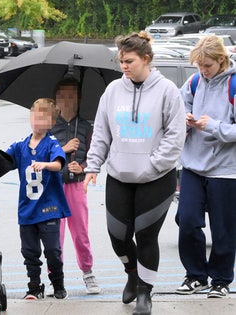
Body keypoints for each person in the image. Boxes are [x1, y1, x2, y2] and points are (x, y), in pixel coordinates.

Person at [83, 31, 186, 315]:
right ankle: (131, 272)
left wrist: (152, 165)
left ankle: (144, 292)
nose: (124, 66)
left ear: (146, 59)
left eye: (129, 61)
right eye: (121, 62)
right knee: (117, 235)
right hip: (120, 176)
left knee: (146, 235)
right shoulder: (114, 90)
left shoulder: (167, 91)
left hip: (156, 177)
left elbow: (176, 136)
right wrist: (94, 165)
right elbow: (102, 132)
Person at [175, 35, 236, 298]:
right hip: (193, 166)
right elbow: (179, 107)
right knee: (186, 220)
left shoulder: (233, 85)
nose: (203, 70)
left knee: (223, 229)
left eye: (207, 66)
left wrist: (210, 126)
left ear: (221, 60)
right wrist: (185, 121)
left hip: (225, 169)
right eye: (199, 65)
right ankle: (196, 275)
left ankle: (221, 279)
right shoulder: (195, 81)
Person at [6, 98, 71, 300]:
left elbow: (59, 164)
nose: (38, 120)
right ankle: (34, 286)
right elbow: (2, 162)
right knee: (29, 251)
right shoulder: (19, 145)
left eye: (44, 118)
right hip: (27, 209)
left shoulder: (51, 144)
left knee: (52, 250)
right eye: (35, 115)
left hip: (49, 207)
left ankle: (58, 283)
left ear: (51, 123)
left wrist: (45, 164)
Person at [49, 78, 100, 295]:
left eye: (72, 96)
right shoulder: (49, 125)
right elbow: (40, 152)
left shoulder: (86, 126)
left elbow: (94, 154)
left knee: (80, 233)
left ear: (79, 99)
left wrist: (84, 167)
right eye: (62, 96)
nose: (67, 101)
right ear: (56, 99)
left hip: (76, 186)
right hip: (54, 187)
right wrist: (63, 148)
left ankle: (88, 273)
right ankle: (55, 278)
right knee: (54, 235)